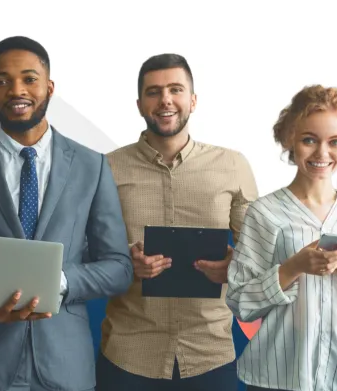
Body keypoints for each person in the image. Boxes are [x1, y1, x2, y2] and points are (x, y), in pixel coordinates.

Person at [0, 36, 133, 391]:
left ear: (49, 87)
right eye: (3, 81)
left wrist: (57, 283)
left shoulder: (91, 166)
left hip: (64, 366)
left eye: (29, 79)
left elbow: (119, 267)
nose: (16, 90)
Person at [97, 53, 256, 391]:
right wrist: (125, 263)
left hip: (209, 353)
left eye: (175, 89)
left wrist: (234, 266)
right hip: (129, 353)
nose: (165, 99)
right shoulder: (105, 169)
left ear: (193, 101)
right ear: (140, 104)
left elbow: (258, 255)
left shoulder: (233, 165)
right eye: (153, 92)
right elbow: (83, 251)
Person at [226, 85, 337, 391]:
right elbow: (240, 301)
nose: (322, 153)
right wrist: (292, 268)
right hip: (279, 377)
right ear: (289, 139)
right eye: (309, 140)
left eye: (335, 142)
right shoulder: (264, 213)